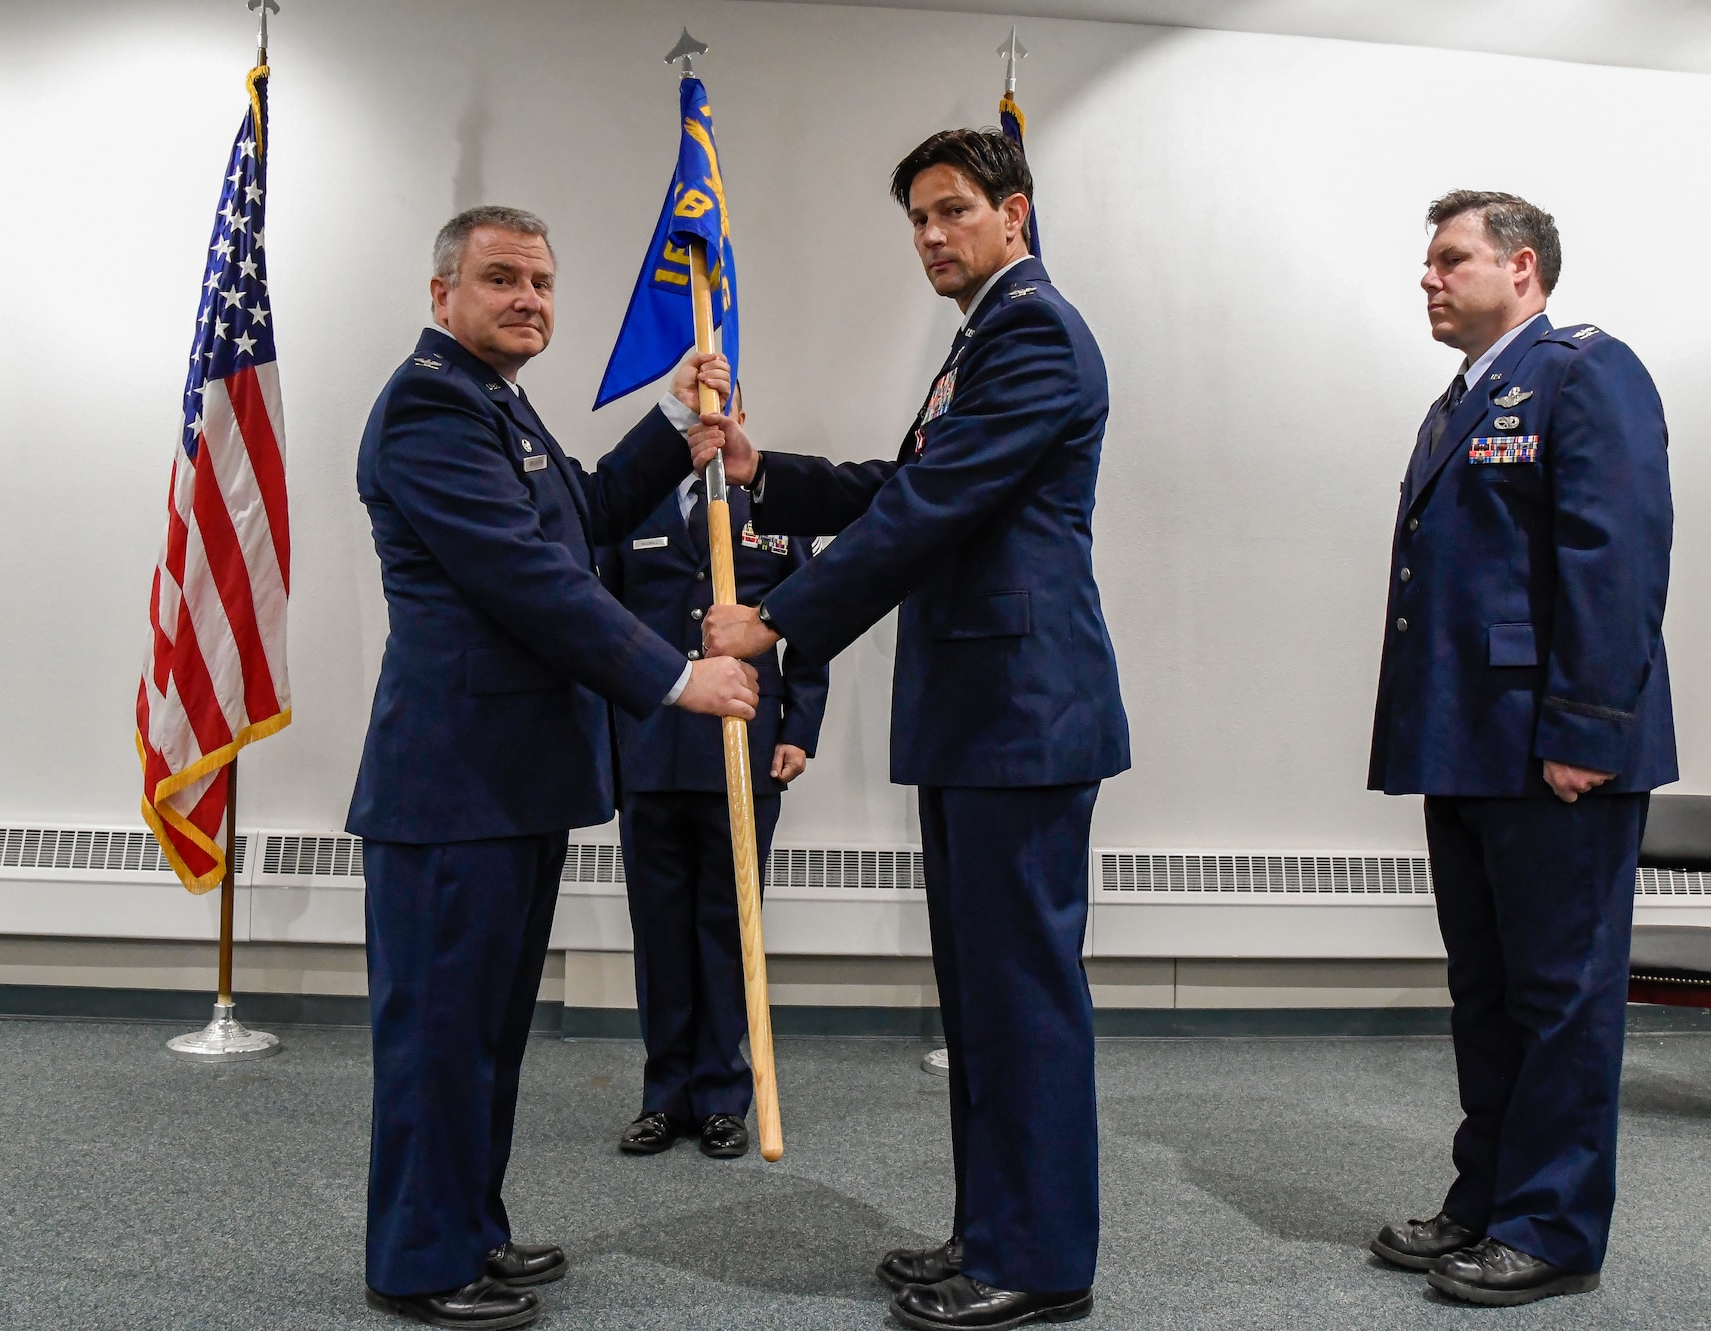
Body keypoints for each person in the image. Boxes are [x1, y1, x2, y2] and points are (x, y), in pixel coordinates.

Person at [695, 129, 1127, 1331]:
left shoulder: (1033, 331)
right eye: (917, 220)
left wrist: (775, 621)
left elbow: (932, 508)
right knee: (983, 994)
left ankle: (1038, 1260)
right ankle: (990, 1228)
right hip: (979, 714)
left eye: (951, 211)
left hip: (1023, 714)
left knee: (1021, 995)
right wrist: (762, 470)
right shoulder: (984, 336)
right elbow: (903, 483)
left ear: (1013, 212)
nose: (932, 236)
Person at [347, 205, 759, 1330]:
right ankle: (420, 1260)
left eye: (539, 279)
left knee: (483, 1032)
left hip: (509, 782)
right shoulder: (431, 404)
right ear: (442, 296)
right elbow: (533, 577)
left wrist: (675, 417)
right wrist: (676, 679)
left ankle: (469, 1226)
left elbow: (576, 509)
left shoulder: (495, 402)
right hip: (451, 787)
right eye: (499, 279)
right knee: (440, 1035)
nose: (527, 297)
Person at [1365, 191, 1676, 1307]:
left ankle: (1549, 1227)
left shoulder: (1585, 372)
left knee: (1559, 996)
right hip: (1465, 741)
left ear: (1523, 268)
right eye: (1428, 260)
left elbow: (1616, 558)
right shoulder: (1462, 400)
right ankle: (1486, 1197)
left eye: (1450, 259)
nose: (1428, 277)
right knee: (1485, 991)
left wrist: (1588, 727)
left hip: (1554, 745)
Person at [598, 393, 828, 1161]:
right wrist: (607, 742)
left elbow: (811, 621)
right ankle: (664, 1093)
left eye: (718, 407)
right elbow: (601, 623)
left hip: (744, 744)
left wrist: (801, 729)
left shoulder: (767, 500)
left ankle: (724, 1094)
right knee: (660, 928)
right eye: (694, 410)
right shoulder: (631, 501)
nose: (708, 420)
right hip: (653, 749)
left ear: (734, 412)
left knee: (730, 925)